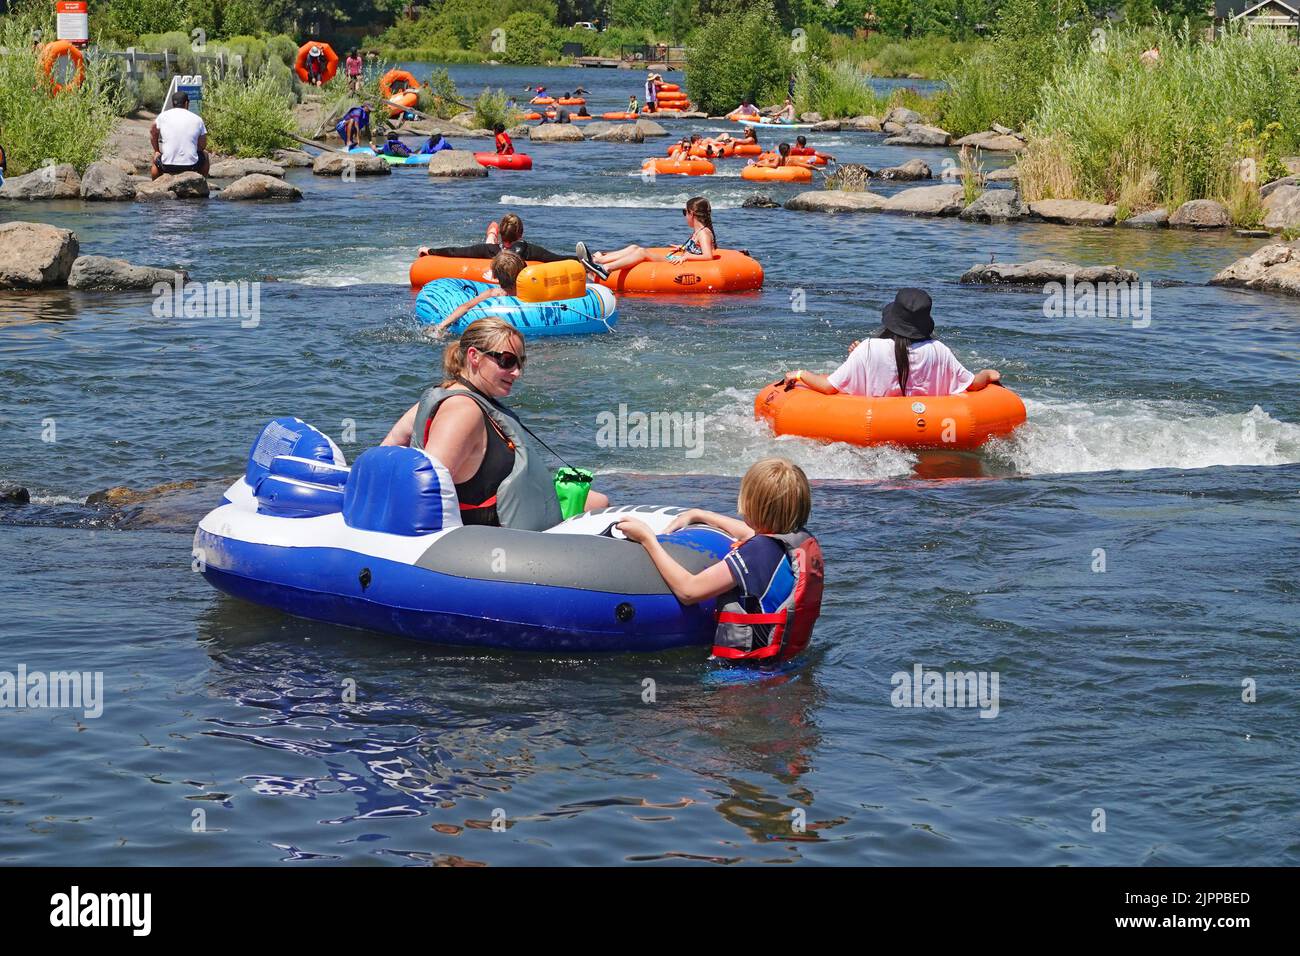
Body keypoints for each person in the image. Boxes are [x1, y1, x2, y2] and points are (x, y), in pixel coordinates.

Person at [381, 318, 609, 529]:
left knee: (597, 501)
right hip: (494, 537)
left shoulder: (441, 394)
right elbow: (427, 488)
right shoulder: (463, 411)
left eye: (521, 362)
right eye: (507, 361)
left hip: (511, 515)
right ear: (474, 356)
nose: (517, 372)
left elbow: (388, 448)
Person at [615, 457, 822, 662]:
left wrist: (648, 539)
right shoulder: (799, 541)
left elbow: (689, 591)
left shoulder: (756, 553)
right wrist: (701, 514)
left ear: (752, 505)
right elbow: (751, 533)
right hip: (787, 664)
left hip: (747, 676)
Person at [780, 288, 1002, 398]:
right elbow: (972, 384)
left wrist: (799, 374)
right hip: (928, 430)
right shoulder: (939, 350)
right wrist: (989, 374)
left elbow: (829, 388)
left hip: (876, 431)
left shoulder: (869, 347)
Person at [418, 213, 608, 279]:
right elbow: (557, 259)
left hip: (495, 249)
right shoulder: (529, 249)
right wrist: (585, 262)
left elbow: (455, 252)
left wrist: (430, 251)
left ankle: (491, 231)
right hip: (504, 247)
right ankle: (491, 231)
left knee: (489, 244)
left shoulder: (490, 250)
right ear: (522, 234)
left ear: (503, 234)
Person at [578, 196, 716, 275]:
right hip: (676, 257)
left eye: (684, 212)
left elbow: (708, 256)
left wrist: (686, 256)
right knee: (634, 247)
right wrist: (683, 248)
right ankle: (598, 261)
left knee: (642, 252)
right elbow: (698, 249)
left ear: (692, 213)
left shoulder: (703, 233)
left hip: (677, 262)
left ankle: (606, 269)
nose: (684, 216)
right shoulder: (699, 232)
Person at [428, 250, 525, 337]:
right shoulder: (525, 291)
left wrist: (442, 326)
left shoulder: (494, 293)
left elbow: (466, 307)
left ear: (495, 275)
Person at [150, 91, 209, 179]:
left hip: (166, 166)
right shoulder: (197, 119)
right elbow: (202, 145)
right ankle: (201, 181)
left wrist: (156, 150)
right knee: (205, 155)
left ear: (173, 103)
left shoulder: (162, 116)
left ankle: (155, 184)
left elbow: (152, 131)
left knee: (155, 158)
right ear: (186, 103)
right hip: (192, 166)